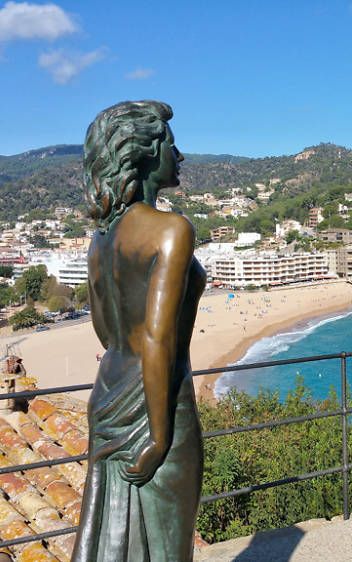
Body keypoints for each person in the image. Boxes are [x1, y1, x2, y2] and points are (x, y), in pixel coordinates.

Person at [73, 101, 206, 561]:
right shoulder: (171, 230)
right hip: (160, 401)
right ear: (146, 152)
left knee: (115, 537)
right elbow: (158, 339)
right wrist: (160, 436)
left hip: (109, 394)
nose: (180, 155)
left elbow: (105, 331)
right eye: (171, 144)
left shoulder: (100, 239)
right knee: (169, 548)